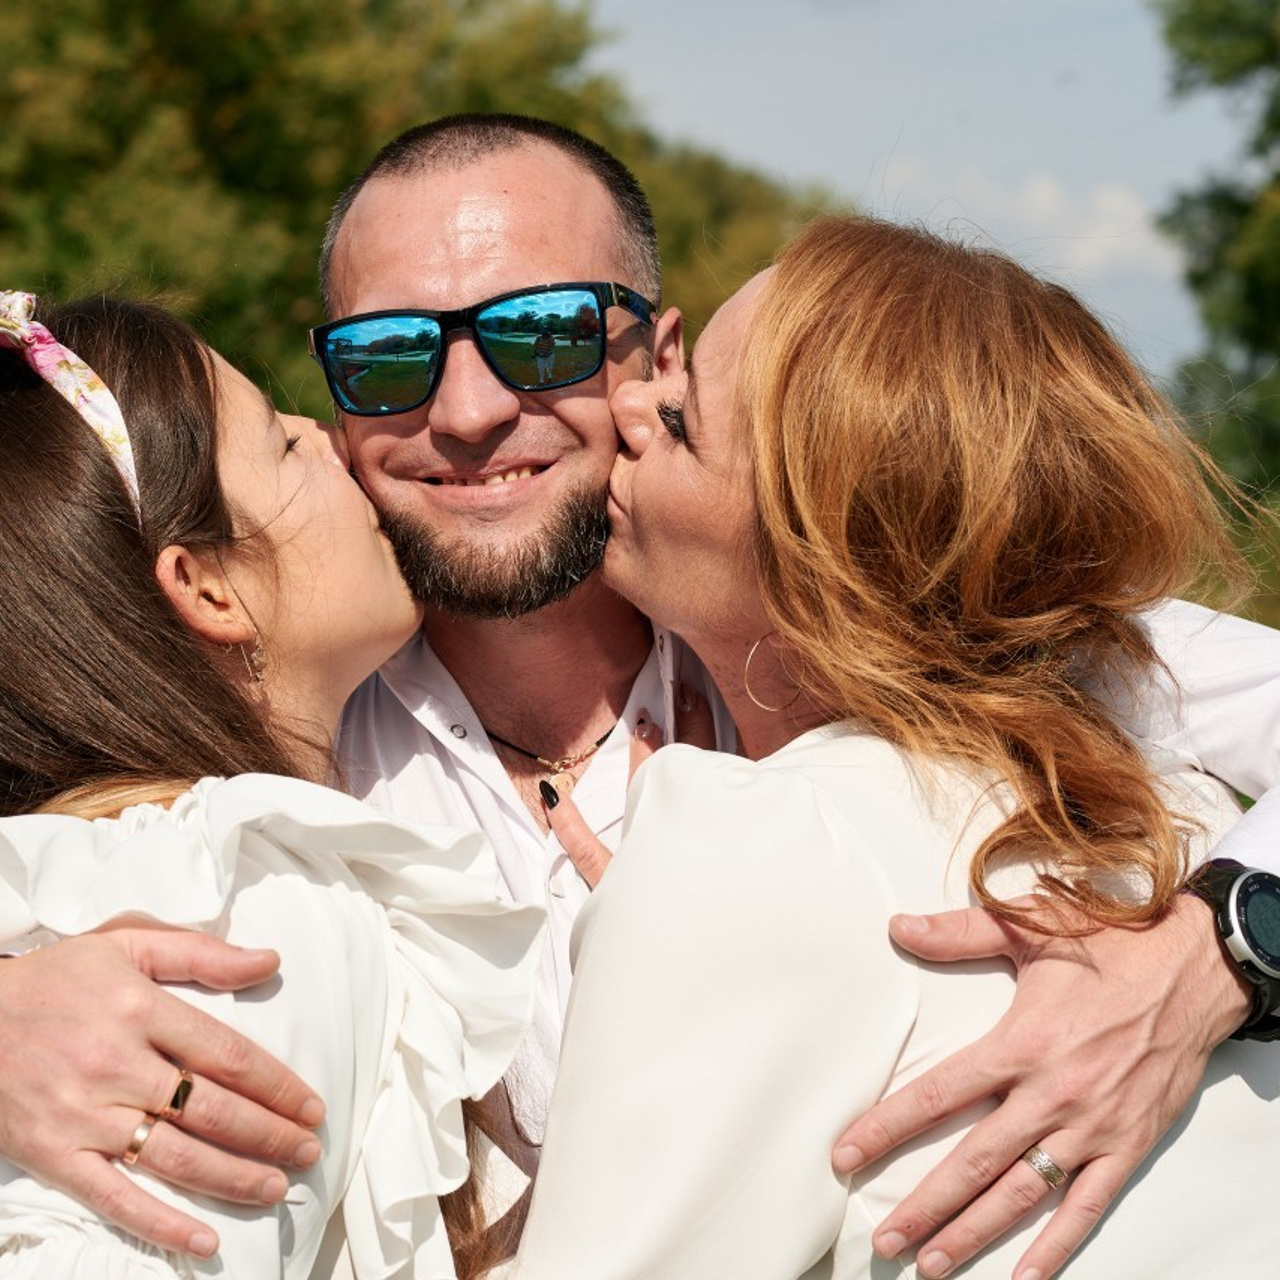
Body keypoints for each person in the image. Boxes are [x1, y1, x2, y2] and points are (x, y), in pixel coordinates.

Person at [3, 115, 1280, 1277]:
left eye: (541, 332)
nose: (465, 411)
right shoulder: (259, 734)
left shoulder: (912, 613)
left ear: (654, 357)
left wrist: (1218, 944)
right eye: (387, 356)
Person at [513, 214, 1280, 1278]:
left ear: (816, 566)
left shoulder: (751, 840)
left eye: (681, 422)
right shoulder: (1197, 810)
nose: (625, 403)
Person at [0, 292, 544, 1276]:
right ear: (207, 584)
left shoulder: (91, 874)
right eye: (282, 444)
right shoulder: (248, 902)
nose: (328, 439)